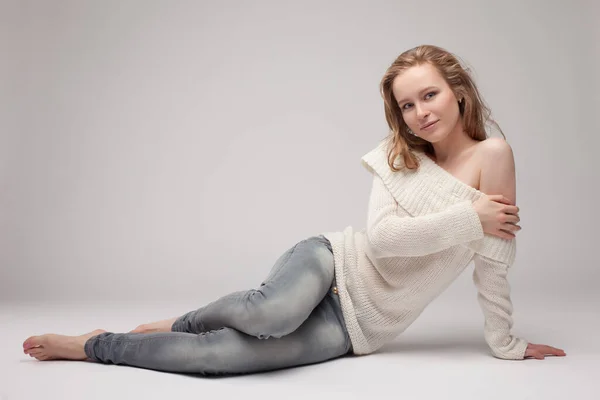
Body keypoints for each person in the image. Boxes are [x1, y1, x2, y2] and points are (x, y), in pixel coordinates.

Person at [22, 44, 566, 374]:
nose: (420, 113)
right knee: (269, 314)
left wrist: (506, 344)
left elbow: (494, 262)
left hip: (357, 327)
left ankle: (104, 344)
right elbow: (381, 242)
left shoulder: (493, 156)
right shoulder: (397, 156)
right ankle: (139, 333)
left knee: (217, 361)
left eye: (429, 95)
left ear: (457, 91)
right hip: (332, 262)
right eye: (406, 104)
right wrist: (470, 218)